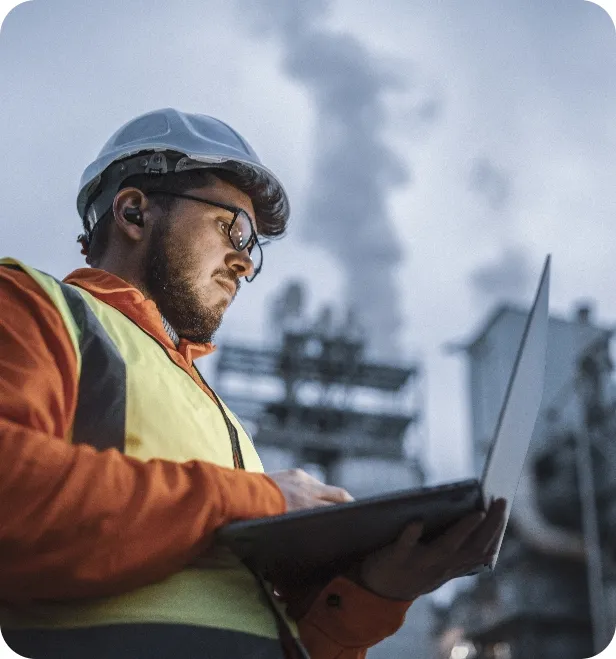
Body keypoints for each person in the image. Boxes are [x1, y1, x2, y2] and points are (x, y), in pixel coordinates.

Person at [0, 108, 506, 659]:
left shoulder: (223, 421)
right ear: (134, 211)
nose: (244, 262)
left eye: (253, 246)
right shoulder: (33, 308)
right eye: (232, 228)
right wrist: (257, 500)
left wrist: (376, 594)